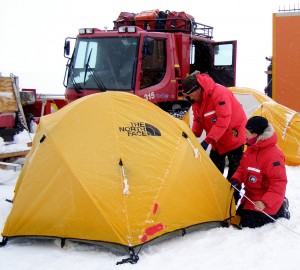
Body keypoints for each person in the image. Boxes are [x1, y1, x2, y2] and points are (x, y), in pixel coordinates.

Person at [182, 71, 247, 180]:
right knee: (214, 173)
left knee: (234, 175)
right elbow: (198, 120)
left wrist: (207, 141)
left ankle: (233, 195)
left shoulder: (220, 93)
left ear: (197, 90)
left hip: (234, 137)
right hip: (217, 140)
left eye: (190, 95)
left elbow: (223, 119)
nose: (189, 98)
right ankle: (217, 193)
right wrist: (192, 135)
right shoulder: (196, 101)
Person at [230, 116, 290, 228]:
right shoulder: (252, 147)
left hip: (265, 200)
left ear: (255, 135)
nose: (244, 134)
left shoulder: (273, 155)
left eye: (247, 132)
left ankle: (281, 207)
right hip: (251, 196)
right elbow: (242, 167)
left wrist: (265, 202)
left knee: (248, 224)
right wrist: (236, 179)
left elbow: (279, 183)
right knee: (237, 219)